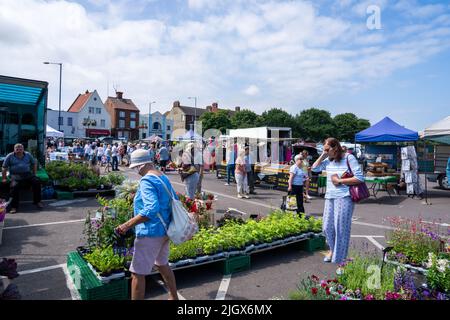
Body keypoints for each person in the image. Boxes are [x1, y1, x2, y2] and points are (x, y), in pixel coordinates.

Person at [116, 149, 178, 300]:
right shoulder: (162, 177)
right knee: (162, 264)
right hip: (165, 229)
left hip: (150, 232)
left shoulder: (147, 180)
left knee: (137, 273)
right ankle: (173, 297)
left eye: (136, 167)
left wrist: (126, 225)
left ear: (142, 165)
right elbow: (174, 200)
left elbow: (151, 209)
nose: (136, 171)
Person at [311, 138, 364, 265]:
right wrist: (323, 154)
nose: (326, 151)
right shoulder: (328, 160)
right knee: (327, 227)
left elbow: (359, 178)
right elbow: (314, 169)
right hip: (330, 197)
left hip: (344, 196)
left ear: (335, 148)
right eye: (324, 149)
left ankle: (341, 261)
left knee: (341, 228)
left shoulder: (348, 158)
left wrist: (340, 181)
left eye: (327, 149)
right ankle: (333, 250)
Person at [1, 144, 44, 214]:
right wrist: (4, 178)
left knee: (37, 181)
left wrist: (34, 174)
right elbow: (4, 167)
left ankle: (37, 201)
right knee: (14, 186)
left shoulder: (28, 154)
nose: (19, 150)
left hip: (27, 174)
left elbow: (34, 163)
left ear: (23, 149)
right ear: (14, 150)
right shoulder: (10, 156)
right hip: (15, 175)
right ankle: (14, 207)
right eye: (17, 149)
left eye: (20, 149)